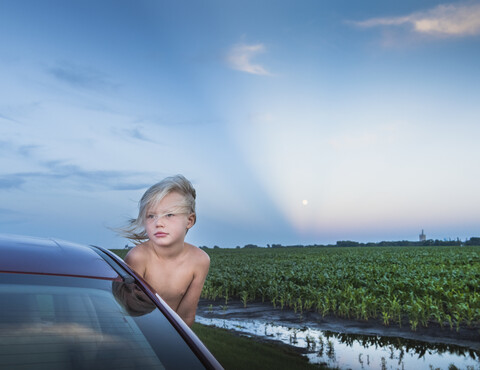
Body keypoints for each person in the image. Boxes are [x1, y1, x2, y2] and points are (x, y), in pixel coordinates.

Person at [120, 175, 210, 327]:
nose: (158, 223)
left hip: (170, 337)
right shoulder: (138, 257)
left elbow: (186, 316)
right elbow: (126, 313)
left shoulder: (200, 260)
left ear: (190, 220)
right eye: (151, 216)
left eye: (169, 215)